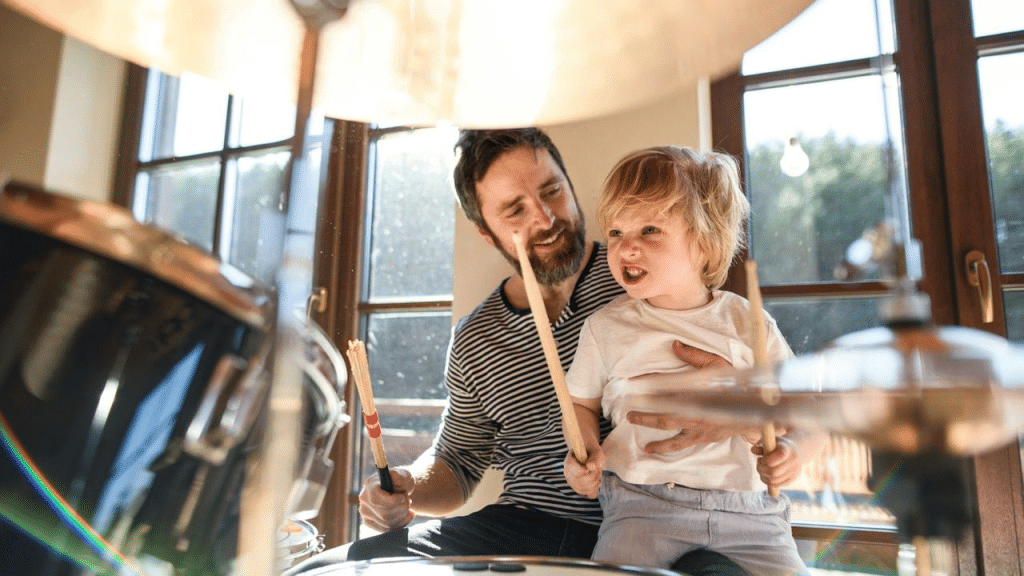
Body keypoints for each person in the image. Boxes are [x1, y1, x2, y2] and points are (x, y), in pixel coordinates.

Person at [286, 129, 747, 575]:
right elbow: (458, 462)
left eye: (552, 191)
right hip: (518, 526)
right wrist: (406, 486)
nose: (544, 218)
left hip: (643, 522)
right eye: (514, 209)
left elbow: (747, 364)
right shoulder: (477, 337)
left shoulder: (648, 273)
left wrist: (736, 401)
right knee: (334, 568)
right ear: (486, 231)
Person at [563, 146, 822, 576]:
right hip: (643, 508)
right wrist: (583, 449)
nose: (626, 247)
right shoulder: (604, 327)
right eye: (615, 233)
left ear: (704, 245)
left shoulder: (746, 321)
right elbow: (579, 405)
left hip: (750, 516)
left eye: (649, 230)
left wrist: (795, 450)